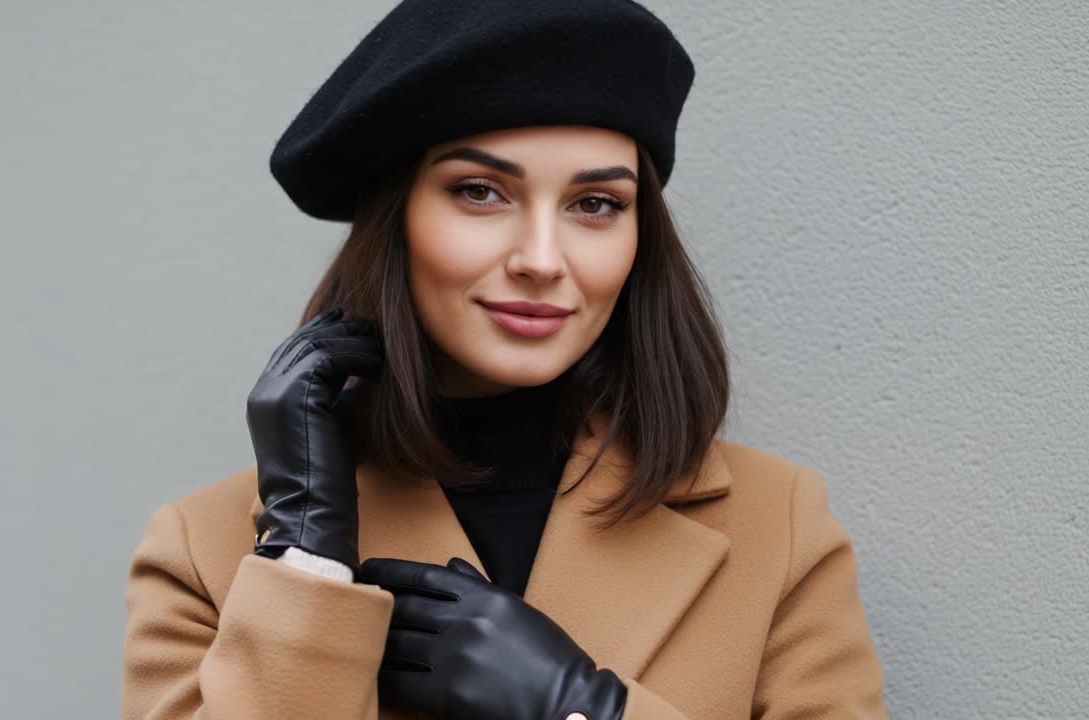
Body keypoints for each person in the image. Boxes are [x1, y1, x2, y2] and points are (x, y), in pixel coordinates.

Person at [121, 1, 889, 718]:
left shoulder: (777, 525)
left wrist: (580, 704)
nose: (542, 259)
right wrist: (306, 563)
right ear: (397, 222)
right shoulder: (205, 550)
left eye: (595, 204)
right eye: (481, 192)